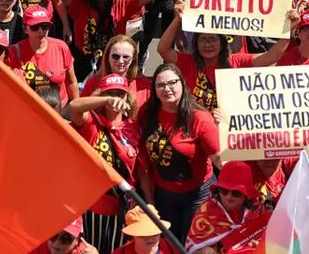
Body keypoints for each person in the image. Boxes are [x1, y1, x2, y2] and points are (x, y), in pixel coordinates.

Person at [158, 0, 292, 111]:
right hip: (195, 125)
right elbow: (163, 49)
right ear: (196, 45)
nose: (208, 44)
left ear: (222, 44)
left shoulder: (236, 62)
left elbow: (271, 56)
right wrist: (177, 19)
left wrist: (288, 31)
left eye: (213, 39)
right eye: (203, 40)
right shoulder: (188, 61)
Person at [138, 63, 220, 243]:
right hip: (163, 196)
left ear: (182, 83)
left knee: (190, 245)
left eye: (172, 83)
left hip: (198, 194)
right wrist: (150, 201)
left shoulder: (199, 117)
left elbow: (219, 159)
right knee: (168, 244)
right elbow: (142, 162)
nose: (167, 89)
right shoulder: (146, 114)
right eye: (160, 85)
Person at [70, 74, 141, 253]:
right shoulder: (92, 123)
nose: (116, 98)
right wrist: (105, 100)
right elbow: (74, 107)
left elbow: (140, 169)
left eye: (121, 94)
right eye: (111, 93)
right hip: (95, 206)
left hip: (124, 206)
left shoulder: (132, 127)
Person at [184, 161, 265, 252]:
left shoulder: (258, 210)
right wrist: (203, 252)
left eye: (236, 193)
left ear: (246, 194)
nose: (228, 197)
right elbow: (191, 250)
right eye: (224, 191)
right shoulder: (205, 213)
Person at [7, 5, 78, 106]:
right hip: (29, 109)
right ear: (25, 29)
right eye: (35, 27)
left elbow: (71, 82)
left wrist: (77, 108)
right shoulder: (14, 52)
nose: (40, 31)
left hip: (60, 110)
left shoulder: (61, 47)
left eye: (45, 26)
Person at [83, 35, 154, 109]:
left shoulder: (143, 84)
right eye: (115, 56)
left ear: (133, 59)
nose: (120, 61)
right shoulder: (94, 82)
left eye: (126, 57)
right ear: (107, 56)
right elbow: (79, 109)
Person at [113, 205, 180, 253]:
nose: (150, 238)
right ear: (133, 235)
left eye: (155, 233)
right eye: (144, 234)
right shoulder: (121, 252)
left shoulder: (171, 248)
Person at [31, 217, 101, 254]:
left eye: (65, 238)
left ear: (78, 239)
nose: (57, 243)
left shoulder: (83, 252)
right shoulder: (36, 247)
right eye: (53, 235)